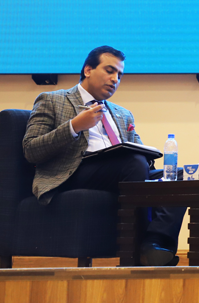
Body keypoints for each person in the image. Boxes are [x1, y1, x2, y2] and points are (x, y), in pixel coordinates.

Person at [22, 46, 185, 266]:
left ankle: (155, 243)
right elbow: (31, 150)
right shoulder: (52, 100)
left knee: (178, 176)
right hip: (73, 173)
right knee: (133, 163)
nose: (115, 79)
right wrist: (74, 126)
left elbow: (138, 151)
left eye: (119, 75)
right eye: (109, 70)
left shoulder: (122, 113)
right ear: (88, 69)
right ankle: (135, 254)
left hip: (123, 170)